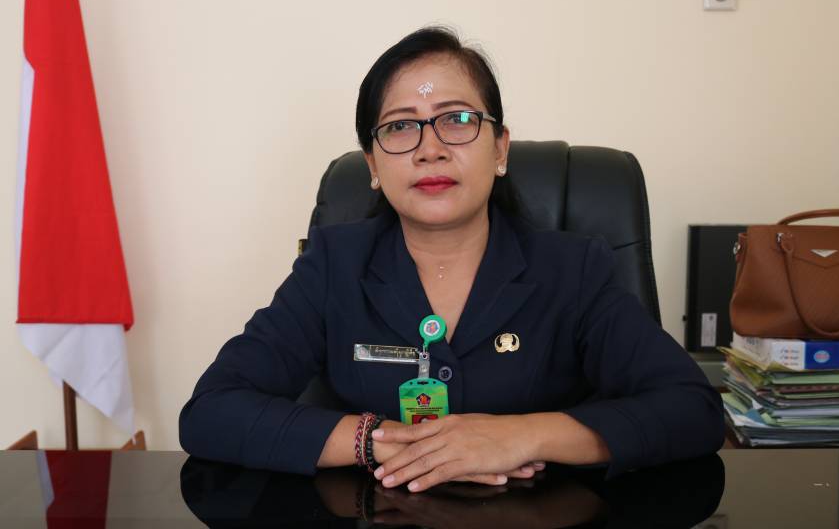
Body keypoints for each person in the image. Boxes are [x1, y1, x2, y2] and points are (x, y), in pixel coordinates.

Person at [179, 26, 725, 493]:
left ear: (500, 148)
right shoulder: (333, 264)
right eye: (400, 126)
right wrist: (379, 441)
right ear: (373, 166)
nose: (430, 148)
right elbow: (212, 411)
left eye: (457, 118)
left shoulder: (573, 269)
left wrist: (522, 435)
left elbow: (691, 410)